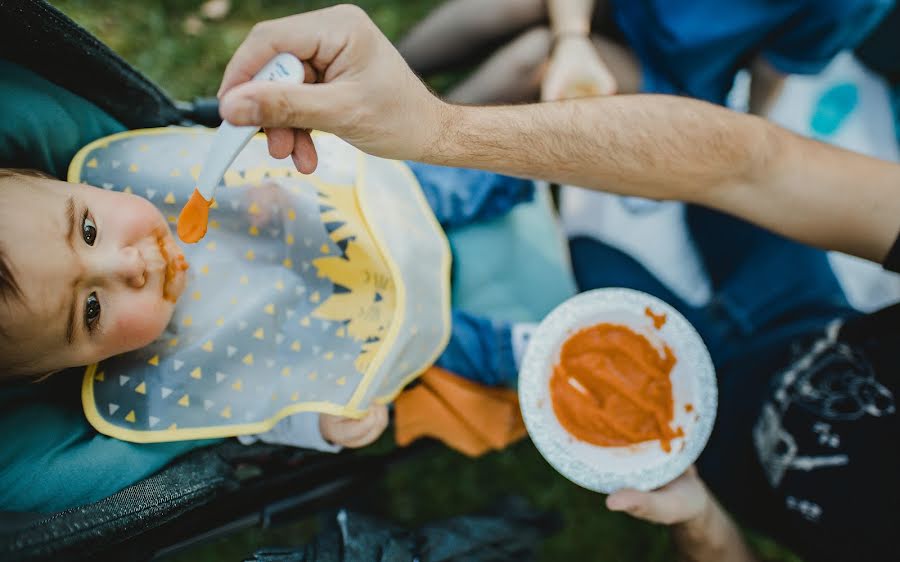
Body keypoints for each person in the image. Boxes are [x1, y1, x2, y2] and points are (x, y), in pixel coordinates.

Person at [210, 6, 900, 561]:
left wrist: (700, 521)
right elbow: (752, 164)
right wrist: (436, 127)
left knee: (568, 281)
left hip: (712, 448)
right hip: (804, 312)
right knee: (590, 235)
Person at [0, 162, 531, 453]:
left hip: (345, 219)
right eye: (92, 309)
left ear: (68, 182)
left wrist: (269, 194)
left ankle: (532, 168)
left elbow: (251, 175)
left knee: (439, 185)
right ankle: (530, 351)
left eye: (89, 229)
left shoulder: (151, 178)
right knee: (455, 349)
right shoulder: (157, 381)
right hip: (349, 331)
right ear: (58, 370)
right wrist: (320, 427)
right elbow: (251, 410)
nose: (127, 266)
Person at [398, 0, 893, 114]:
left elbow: (772, 73)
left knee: (536, 57)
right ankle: (380, 66)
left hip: (677, 67)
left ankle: (411, 145)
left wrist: (741, 139)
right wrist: (575, 35)